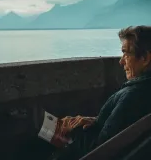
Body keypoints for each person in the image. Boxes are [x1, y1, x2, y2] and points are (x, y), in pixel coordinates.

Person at [51, 25, 151, 160]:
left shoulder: (133, 96)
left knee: (43, 133)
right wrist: (96, 121)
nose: (121, 61)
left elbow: (102, 149)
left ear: (145, 58)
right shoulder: (142, 92)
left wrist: (73, 129)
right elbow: (120, 129)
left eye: (126, 53)